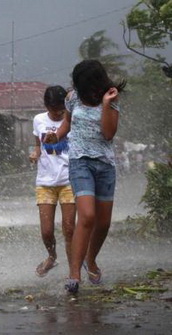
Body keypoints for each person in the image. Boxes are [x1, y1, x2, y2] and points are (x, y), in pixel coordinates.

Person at [44, 60, 126, 293]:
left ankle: (91, 260)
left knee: (103, 222)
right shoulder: (72, 98)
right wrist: (56, 136)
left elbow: (108, 134)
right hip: (80, 162)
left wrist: (107, 104)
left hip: (105, 165)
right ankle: (74, 274)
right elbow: (68, 124)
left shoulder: (110, 97)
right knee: (87, 215)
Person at [29, 86, 76, 278]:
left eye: (61, 111)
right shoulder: (39, 120)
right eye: (54, 111)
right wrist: (35, 153)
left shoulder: (71, 119)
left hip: (68, 180)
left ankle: (74, 270)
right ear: (46, 106)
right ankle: (52, 256)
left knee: (69, 228)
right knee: (46, 231)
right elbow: (38, 144)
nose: (57, 114)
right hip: (45, 182)